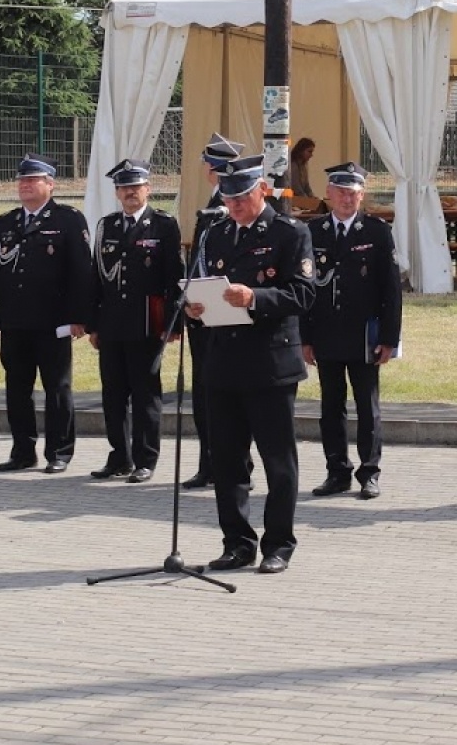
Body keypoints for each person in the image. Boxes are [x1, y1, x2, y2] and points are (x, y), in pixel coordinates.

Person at [186, 155, 315, 575]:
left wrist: (256, 298)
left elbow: (302, 294)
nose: (235, 204)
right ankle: (237, 542)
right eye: (228, 196)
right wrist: (192, 305)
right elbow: (196, 280)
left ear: (261, 189)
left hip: (270, 363)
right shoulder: (216, 232)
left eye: (241, 196)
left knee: (277, 459)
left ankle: (278, 544)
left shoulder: (290, 232)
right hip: (223, 361)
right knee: (227, 460)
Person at [0, 154, 94, 474]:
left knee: (57, 388)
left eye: (33, 180)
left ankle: (59, 451)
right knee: (17, 389)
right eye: (22, 180)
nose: (26, 185)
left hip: (53, 321)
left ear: (50, 184)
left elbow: (81, 273)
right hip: (15, 321)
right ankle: (22, 450)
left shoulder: (68, 219)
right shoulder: (6, 222)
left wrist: (79, 317)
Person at [302, 162, 402, 500]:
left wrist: (390, 339)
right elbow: (303, 289)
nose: (347, 198)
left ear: (362, 196)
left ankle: (369, 472)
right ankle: (336, 471)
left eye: (354, 193)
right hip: (326, 333)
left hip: (364, 336)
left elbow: (391, 290)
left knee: (366, 405)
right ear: (328, 195)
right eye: (341, 192)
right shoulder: (313, 232)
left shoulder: (375, 231)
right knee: (331, 407)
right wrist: (304, 337)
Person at [88, 159, 183, 484]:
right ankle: (119, 457)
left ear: (148, 189)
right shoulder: (107, 226)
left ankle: (145, 458)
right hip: (112, 325)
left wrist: (173, 323)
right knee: (112, 395)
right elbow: (96, 278)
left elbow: (174, 278)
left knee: (145, 396)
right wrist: (94, 324)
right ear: (116, 192)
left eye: (136, 186)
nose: (130, 192)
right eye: (124, 187)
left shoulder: (163, 225)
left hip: (146, 324)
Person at [182, 132, 245, 489]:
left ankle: (236, 465)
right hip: (203, 313)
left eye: (207, 164)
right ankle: (210, 462)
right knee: (206, 393)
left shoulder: (229, 205)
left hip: (226, 314)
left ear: (213, 168)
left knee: (228, 395)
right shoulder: (212, 203)